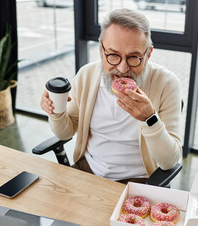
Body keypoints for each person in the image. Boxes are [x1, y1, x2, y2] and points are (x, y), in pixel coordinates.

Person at [40, 8, 182, 184]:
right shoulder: (86, 76)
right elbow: (66, 132)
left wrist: (150, 119)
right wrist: (56, 111)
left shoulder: (167, 84)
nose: (122, 69)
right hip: (87, 170)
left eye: (133, 57)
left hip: (139, 179)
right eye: (114, 55)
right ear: (101, 48)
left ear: (148, 53)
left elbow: (170, 161)